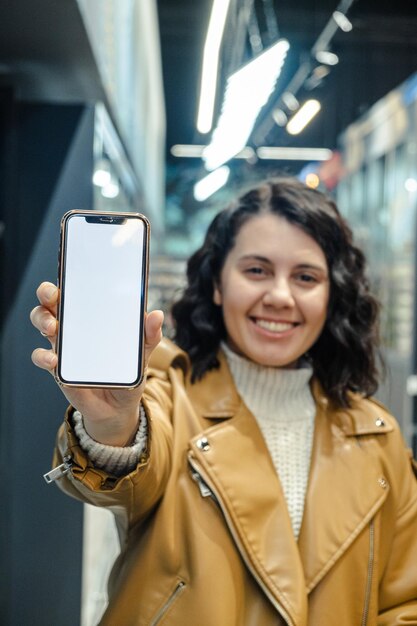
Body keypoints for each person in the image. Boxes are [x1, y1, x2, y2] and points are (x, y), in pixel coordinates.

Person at [31, 177, 417, 626]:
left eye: (306, 277)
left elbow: (404, 604)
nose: (279, 296)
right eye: (256, 270)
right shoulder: (168, 394)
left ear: (332, 295)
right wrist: (112, 423)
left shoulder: (378, 438)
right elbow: (133, 460)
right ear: (217, 283)